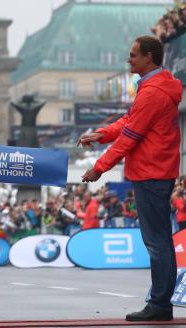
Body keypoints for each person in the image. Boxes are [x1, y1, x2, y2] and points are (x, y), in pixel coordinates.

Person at [78, 36, 182, 322]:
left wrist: (99, 167)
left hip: (151, 171)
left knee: (157, 242)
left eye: (133, 55)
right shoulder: (156, 87)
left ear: (149, 57)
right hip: (156, 170)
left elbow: (131, 136)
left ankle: (160, 304)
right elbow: (130, 122)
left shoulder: (152, 92)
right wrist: (101, 133)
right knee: (159, 240)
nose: (129, 60)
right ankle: (160, 302)